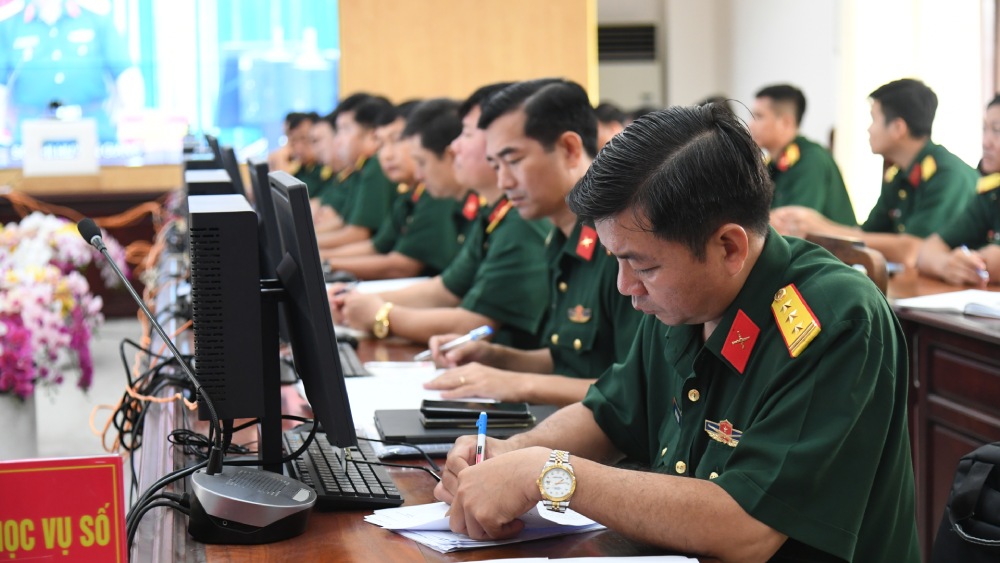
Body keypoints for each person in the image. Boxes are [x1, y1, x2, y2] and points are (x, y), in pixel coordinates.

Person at [435, 105, 919, 562]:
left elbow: (747, 527)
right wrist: (510, 454)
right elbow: (609, 415)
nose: (626, 287)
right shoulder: (681, 300)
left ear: (729, 247)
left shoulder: (833, 320)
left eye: (640, 265)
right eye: (617, 261)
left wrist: (549, 474)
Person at [423, 79, 641, 406]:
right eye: (496, 165)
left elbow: (637, 391)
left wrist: (519, 383)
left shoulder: (621, 245)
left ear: (569, 149)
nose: (503, 182)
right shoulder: (560, 236)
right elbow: (570, 360)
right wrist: (495, 357)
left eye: (514, 161)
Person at [331, 83, 551, 348]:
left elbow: (477, 324)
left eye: (467, 134)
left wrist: (381, 314)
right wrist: (354, 300)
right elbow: (444, 290)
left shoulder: (521, 220)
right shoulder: (493, 214)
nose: (455, 147)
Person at [771, 79, 977, 266]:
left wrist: (818, 228)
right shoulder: (898, 175)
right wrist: (815, 221)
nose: (869, 129)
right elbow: (865, 234)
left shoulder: (947, 175)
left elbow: (913, 250)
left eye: (874, 119)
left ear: (898, 128)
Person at [321, 99, 467, 278]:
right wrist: (322, 260)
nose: (387, 155)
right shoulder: (410, 192)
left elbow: (403, 265)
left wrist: (325, 263)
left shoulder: (439, 190)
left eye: (397, 140)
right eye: (381, 144)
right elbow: (377, 246)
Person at [0, 0, 145, 144]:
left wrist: (131, 123)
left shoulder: (95, 17)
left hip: (94, 133)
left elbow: (126, 75)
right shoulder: (9, 24)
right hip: (30, 136)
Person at [917, 94, 1000, 286]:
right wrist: (946, 264)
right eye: (984, 129)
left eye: (997, 131)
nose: (985, 142)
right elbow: (927, 250)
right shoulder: (990, 195)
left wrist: (971, 262)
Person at [749, 84, 856, 225]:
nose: (750, 124)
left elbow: (793, 228)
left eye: (759, 116)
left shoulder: (811, 160)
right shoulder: (772, 164)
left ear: (786, 123)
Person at [316, 95, 400, 252]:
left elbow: (359, 233)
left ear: (372, 136)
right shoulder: (360, 168)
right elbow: (343, 222)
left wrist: (317, 252)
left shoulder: (375, 166)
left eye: (345, 130)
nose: (338, 141)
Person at [268, 111, 327, 196]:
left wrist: (281, 161)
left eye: (303, 138)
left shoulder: (324, 172)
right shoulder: (303, 169)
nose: (298, 148)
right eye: (294, 141)